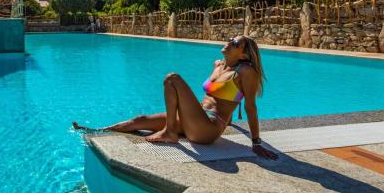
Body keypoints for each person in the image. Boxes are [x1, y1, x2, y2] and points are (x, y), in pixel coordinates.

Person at [73, 35, 278, 160]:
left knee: (172, 79)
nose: (229, 42)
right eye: (230, 39)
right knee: (139, 120)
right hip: (195, 118)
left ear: (243, 55)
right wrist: (231, 117)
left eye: (235, 43)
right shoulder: (218, 64)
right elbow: (218, 94)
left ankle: (170, 132)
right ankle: (96, 130)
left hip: (207, 129)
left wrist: (256, 142)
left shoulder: (246, 71)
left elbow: (250, 106)